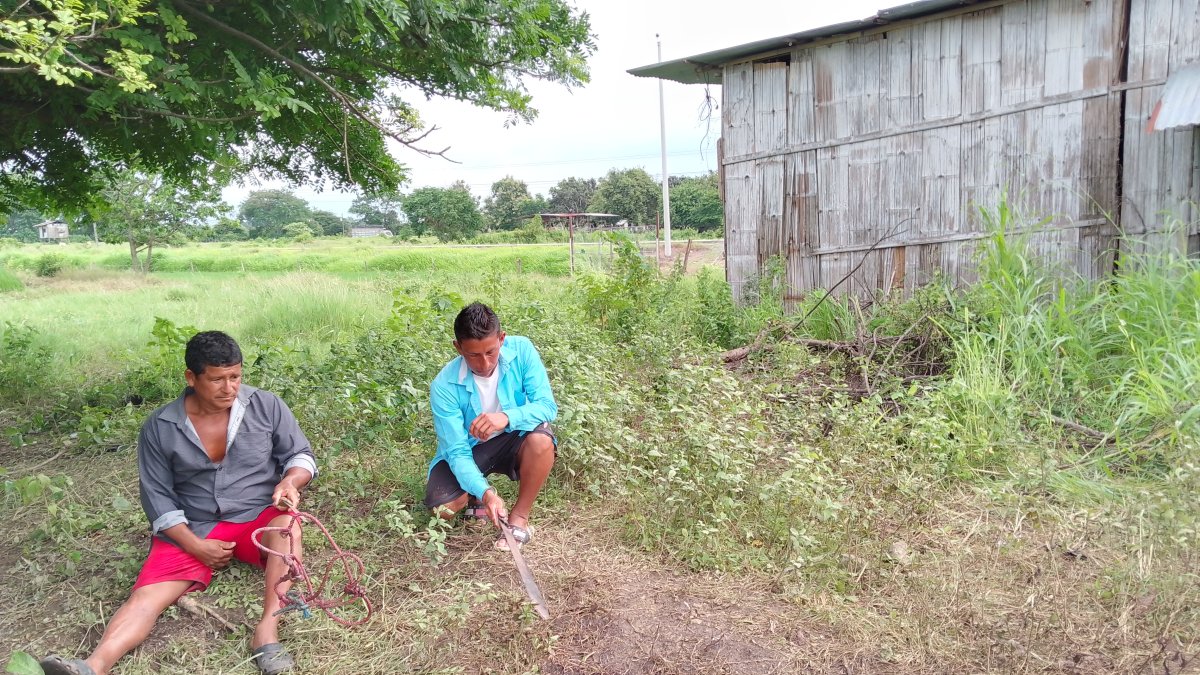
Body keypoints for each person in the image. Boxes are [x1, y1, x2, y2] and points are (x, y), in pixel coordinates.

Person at [40, 331, 317, 675]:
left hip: (257, 515)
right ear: (191, 377)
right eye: (217, 379)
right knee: (146, 598)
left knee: (289, 529)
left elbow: (300, 455)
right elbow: (157, 496)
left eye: (235, 377)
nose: (229, 388)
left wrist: (290, 481)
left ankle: (267, 634)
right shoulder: (160, 426)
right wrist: (196, 546)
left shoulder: (267, 405)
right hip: (193, 524)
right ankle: (92, 666)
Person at [425, 302, 557, 550]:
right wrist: (487, 493)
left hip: (514, 436)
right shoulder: (443, 386)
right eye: (473, 355)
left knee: (542, 441)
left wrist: (506, 417)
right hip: (471, 449)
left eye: (490, 352)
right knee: (443, 509)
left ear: (502, 339)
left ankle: (519, 519)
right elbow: (457, 452)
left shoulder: (523, 350)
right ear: (458, 347)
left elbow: (547, 406)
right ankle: (477, 495)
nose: (484, 364)